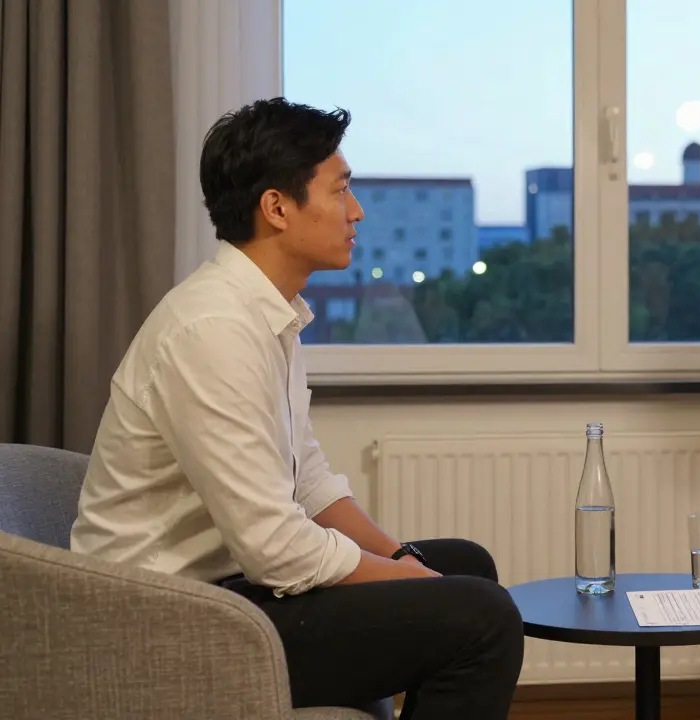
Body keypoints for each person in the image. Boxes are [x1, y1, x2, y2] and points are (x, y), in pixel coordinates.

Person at [69, 97, 524, 719]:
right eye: (340, 192)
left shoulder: (268, 316)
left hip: (233, 587)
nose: (356, 212)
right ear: (277, 207)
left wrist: (404, 562)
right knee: (481, 615)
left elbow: (307, 482)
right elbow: (277, 549)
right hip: (168, 617)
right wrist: (424, 587)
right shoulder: (213, 329)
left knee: (466, 566)